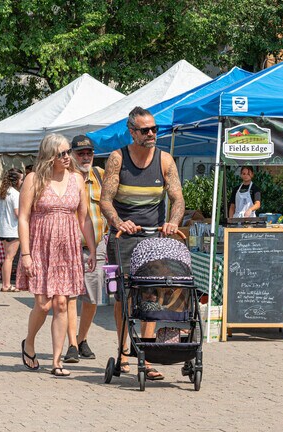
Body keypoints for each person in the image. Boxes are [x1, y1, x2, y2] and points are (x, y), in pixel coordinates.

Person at [100, 106, 185, 381]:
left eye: (154, 129)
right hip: (124, 236)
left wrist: (173, 221)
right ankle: (124, 352)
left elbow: (178, 198)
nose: (151, 134)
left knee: (153, 293)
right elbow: (105, 200)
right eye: (145, 130)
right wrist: (118, 222)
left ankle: (146, 355)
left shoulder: (165, 160)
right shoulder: (117, 159)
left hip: (153, 236)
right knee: (123, 295)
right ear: (132, 131)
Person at [17, 134, 96, 377]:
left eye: (67, 152)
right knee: (43, 303)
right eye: (61, 153)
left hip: (67, 248)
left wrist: (91, 248)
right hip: (41, 246)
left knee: (62, 302)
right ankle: (29, 342)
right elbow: (23, 217)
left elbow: (83, 217)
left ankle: (56, 361)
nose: (66, 157)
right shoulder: (34, 179)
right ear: (50, 155)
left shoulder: (76, 180)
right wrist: (26, 253)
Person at [63, 135, 108, 363]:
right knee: (71, 295)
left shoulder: (100, 175)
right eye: (81, 153)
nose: (85, 157)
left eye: (89, 152)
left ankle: (82, 338)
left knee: (91, 296)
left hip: (97, 246)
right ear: (71, 154)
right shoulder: (66, 178)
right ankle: (71, 344)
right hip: (69, 245)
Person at [0, 168, 23, 292]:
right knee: (9, 258)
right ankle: (6, 285)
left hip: (3, 229)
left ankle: (5, 283)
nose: (22, 182)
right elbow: (18, 213)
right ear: (16, 180)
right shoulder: (16, 194)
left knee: (7, 257)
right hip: (13, 229)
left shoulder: (1, 192)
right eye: (21, 179)